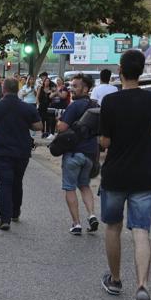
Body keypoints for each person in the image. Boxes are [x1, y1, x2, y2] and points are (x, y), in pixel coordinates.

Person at [99, 49, 151, 300]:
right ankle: (143, 286)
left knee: (113, 227)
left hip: (116, 174)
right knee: (141, 231)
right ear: (142, 71)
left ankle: (115, 280)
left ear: (120, 71)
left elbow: (105, 141)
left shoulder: (111, 102)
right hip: (145, 174)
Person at [0, 77, 42, 231]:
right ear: (17, 90)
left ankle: (4, 219)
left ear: (4, 89)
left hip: (1, 151)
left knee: (4, 184)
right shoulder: (26, 108)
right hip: (22, 151)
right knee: (17, 181)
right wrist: (25, 123)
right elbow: (39, 126)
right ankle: (15, 212)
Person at [56, 74, 99, 235]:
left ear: (86, 88)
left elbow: (62, 127)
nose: (71, 89)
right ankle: (92, 214)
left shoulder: (74, 106)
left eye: (75, 86)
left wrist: (58, 122)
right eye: (71, 85)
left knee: (69, 188)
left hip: (73, 153)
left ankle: (76, 223)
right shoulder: (95, 105)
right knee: (85, 185)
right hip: (90, 154)